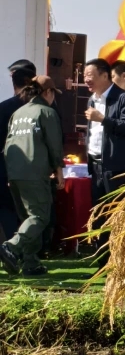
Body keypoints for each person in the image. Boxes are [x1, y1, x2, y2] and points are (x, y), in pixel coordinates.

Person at [0, 75, 63, 276]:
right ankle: (11, 246)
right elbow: (55, 146)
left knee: (27, 218)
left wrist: (10, 175)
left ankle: (30, 262)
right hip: (35, 172)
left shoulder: (18, 113)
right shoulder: (47, 112)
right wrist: (59, 171)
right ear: (48, 92)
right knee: (39, 216)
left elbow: (8, 145)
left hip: (14, 173)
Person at [83, 57, 125, 205]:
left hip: (117, 169)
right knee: (98, 212)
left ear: (104, 76)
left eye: (90, 75)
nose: (86, 80)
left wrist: (103, 119)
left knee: (116, 212)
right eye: (84, 76)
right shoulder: (92, 100)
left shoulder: (124, 98)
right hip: (96, 166)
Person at [0, 63, 36, 238]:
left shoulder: (4, 107)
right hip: (36, 167)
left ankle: (11, 244)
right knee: (33, 211)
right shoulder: (44, 108)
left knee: (7, 208)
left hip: (7, 166)